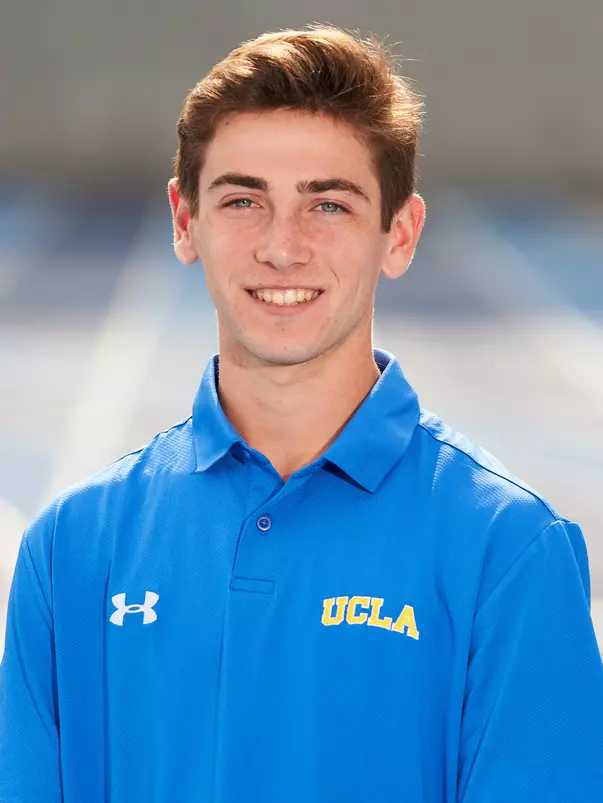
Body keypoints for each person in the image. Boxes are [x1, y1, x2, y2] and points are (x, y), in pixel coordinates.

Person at [1, 24, 602, 803]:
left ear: (401, 233)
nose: (281, 247)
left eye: (328, 205)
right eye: (244, 200)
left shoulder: (508, 551)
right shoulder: (74, 547)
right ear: (186, 223)